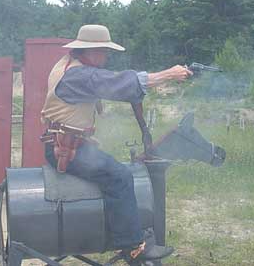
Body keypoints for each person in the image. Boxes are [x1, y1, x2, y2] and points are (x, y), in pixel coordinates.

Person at [41, 24, 192, 262]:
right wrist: (168, 75)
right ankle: (132, 246)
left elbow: (107, 86)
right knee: (119, 177)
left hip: (69, 144)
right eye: (103, 51)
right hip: (65, 149)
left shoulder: (69, 65)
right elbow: (117, 83)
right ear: (88, 51)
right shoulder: (78, 75)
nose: (106, 56)